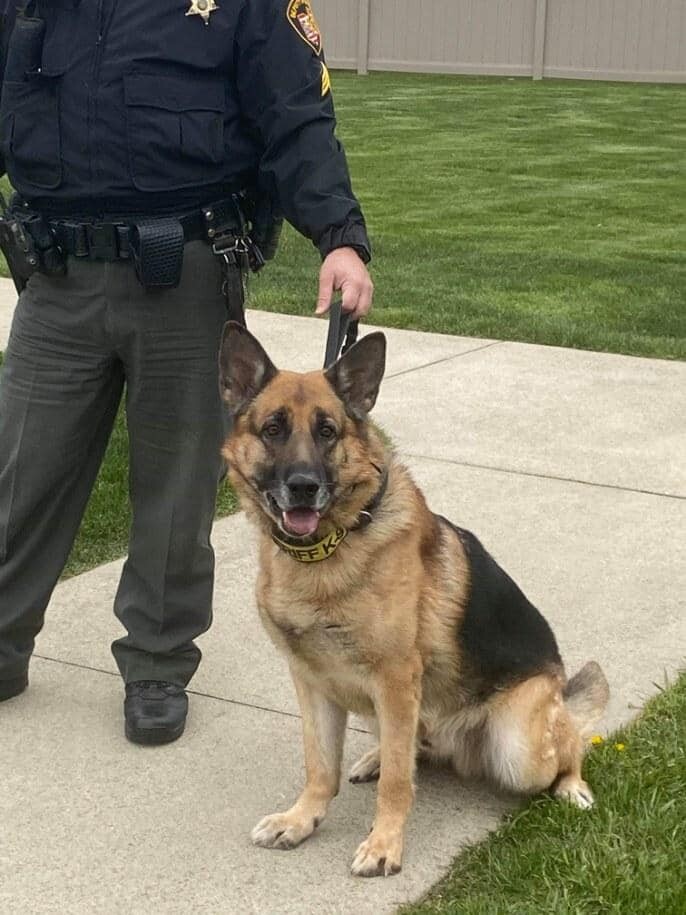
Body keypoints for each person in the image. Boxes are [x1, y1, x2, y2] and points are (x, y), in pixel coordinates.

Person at [0, 0, 373, 745]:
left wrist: (339, 236)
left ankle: (157, 663)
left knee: (174, 486)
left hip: (185, 273)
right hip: (58, 275)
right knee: (21, 469)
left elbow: (294, 115)